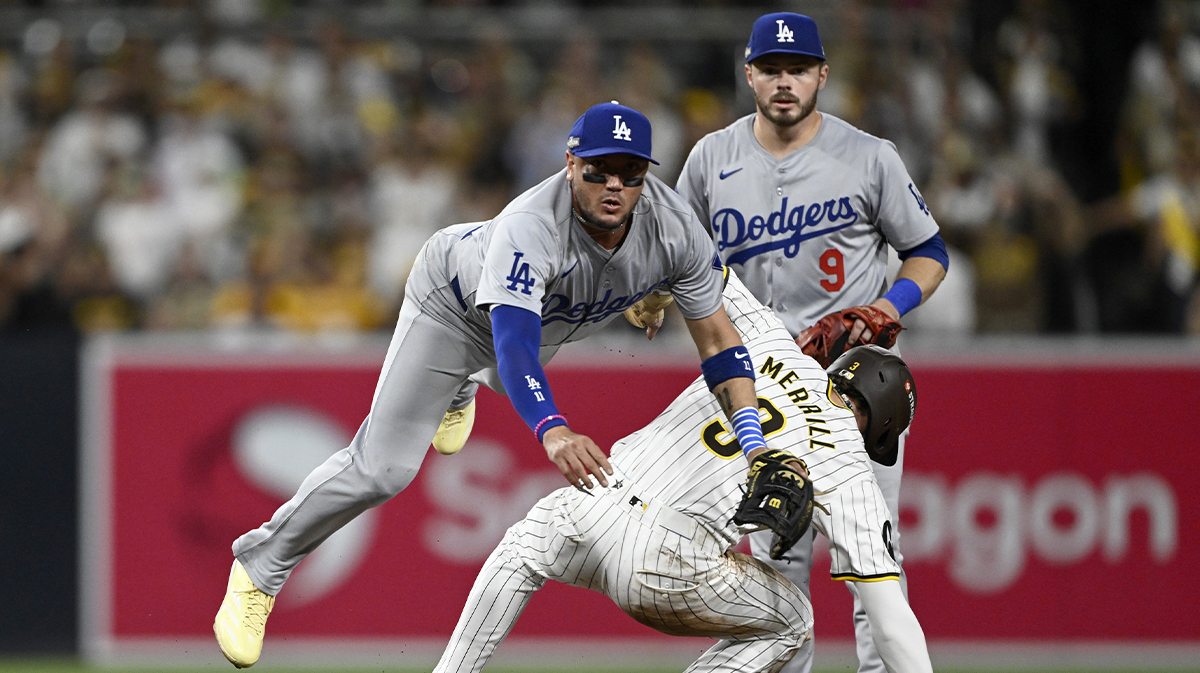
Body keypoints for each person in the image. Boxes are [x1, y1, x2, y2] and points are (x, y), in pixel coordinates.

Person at [213, 102, 772, 668]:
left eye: (630, 174)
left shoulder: (674, 229)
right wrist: (553, 430)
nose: (613, 185)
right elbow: (514, 349)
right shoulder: (532, 226)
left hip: (546, 319)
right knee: (384, 469)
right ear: (570, 162)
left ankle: (460, 390)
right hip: (455, 307)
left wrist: (755, 445)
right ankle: (260, 566)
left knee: (511, 380)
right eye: (598, 170)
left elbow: (721, 342)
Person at [434, 271, 932, 673]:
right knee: (793, 620)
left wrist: (651, 289)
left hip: (597, 493)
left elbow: (693, 260)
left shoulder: (771, 342)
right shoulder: (848, 463)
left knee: (523, 547)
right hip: (667, 560)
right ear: (883, 428)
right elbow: (890, 623)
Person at [672, 13, 949, 673]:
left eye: (797, 68)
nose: (784, 81)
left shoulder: (869, 155)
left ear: (823, 73)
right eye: (771, 69)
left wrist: (888, 304)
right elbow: (673, 255)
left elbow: (928, 251)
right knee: (774, 559)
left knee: (871, 560)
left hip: (857, 386)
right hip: (762, 387)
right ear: (749, 75)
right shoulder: (712, 158)